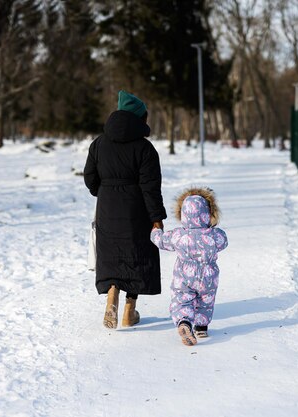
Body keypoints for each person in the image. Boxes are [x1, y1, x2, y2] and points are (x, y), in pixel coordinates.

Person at [84, 90, 167, 329]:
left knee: (112, 253)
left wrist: (104, 191)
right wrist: (156, 218)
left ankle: (112, 293)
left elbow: (90, 177)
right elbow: (150, 187)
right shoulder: (145, 148)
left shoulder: (98, 144)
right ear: (140, 118)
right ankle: (129, 310)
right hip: (137, 208)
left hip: (107, 207)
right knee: (137, 254)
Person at [150, 187, 228, 346]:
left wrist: (155, 231)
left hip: (184, 277)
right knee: (206, 301)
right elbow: (224, 241)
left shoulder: (178, 235)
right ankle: (201, 327)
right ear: (208, 213)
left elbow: (161, 241)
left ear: (183, 215)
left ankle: (184, 322)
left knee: (182, 300)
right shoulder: (214, 235)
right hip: (208, 276)